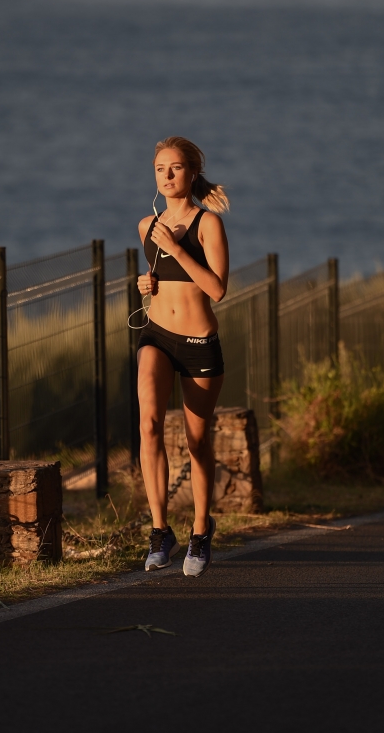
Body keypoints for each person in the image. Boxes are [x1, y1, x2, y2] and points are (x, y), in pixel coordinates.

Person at [136, 136, 230, 577]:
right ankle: (160, 530)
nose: (167, 176)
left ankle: (200, 530)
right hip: (156, 335)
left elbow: (216, 289)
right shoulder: (146, 226)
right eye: (160, 169)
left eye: (175, 168)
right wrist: (146, 284)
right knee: (149, 424)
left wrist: (176, 249)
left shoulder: (208, 224)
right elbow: (161, 278)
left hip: (198, 345)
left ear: (192, 172)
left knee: (196, 442)